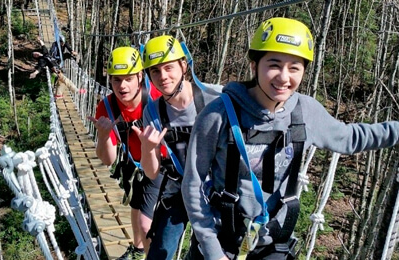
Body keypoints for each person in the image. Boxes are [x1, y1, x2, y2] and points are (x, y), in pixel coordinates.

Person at [181, 17, 399, 260]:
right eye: (274, 64)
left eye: (294, 67)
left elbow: (350, 138)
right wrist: (211, 249)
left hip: (273, 243)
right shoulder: (218, 114)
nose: (284, 78)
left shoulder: (305, 112)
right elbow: (193, 182)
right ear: (254, 65)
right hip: (223, 242)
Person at [132, 35, 222, 260]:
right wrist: (148, 148)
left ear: (184, 65)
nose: (163, 77)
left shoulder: (217, 99)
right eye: (155, 71)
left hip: (216, 188)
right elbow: (152, 173)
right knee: (159, 250)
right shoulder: (153, 111)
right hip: (180, 186)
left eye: (169, 68)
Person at [88, 46, 162, 260]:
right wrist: (103, 135)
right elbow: (107, 159)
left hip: (161, 162)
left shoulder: (157, 97)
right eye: (116, 80)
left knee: (145, 223)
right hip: (134, 162)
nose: (122, 86)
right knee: (136, 206)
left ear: (140, 76)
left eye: (129, 78)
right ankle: (138, 251)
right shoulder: (107, 107)